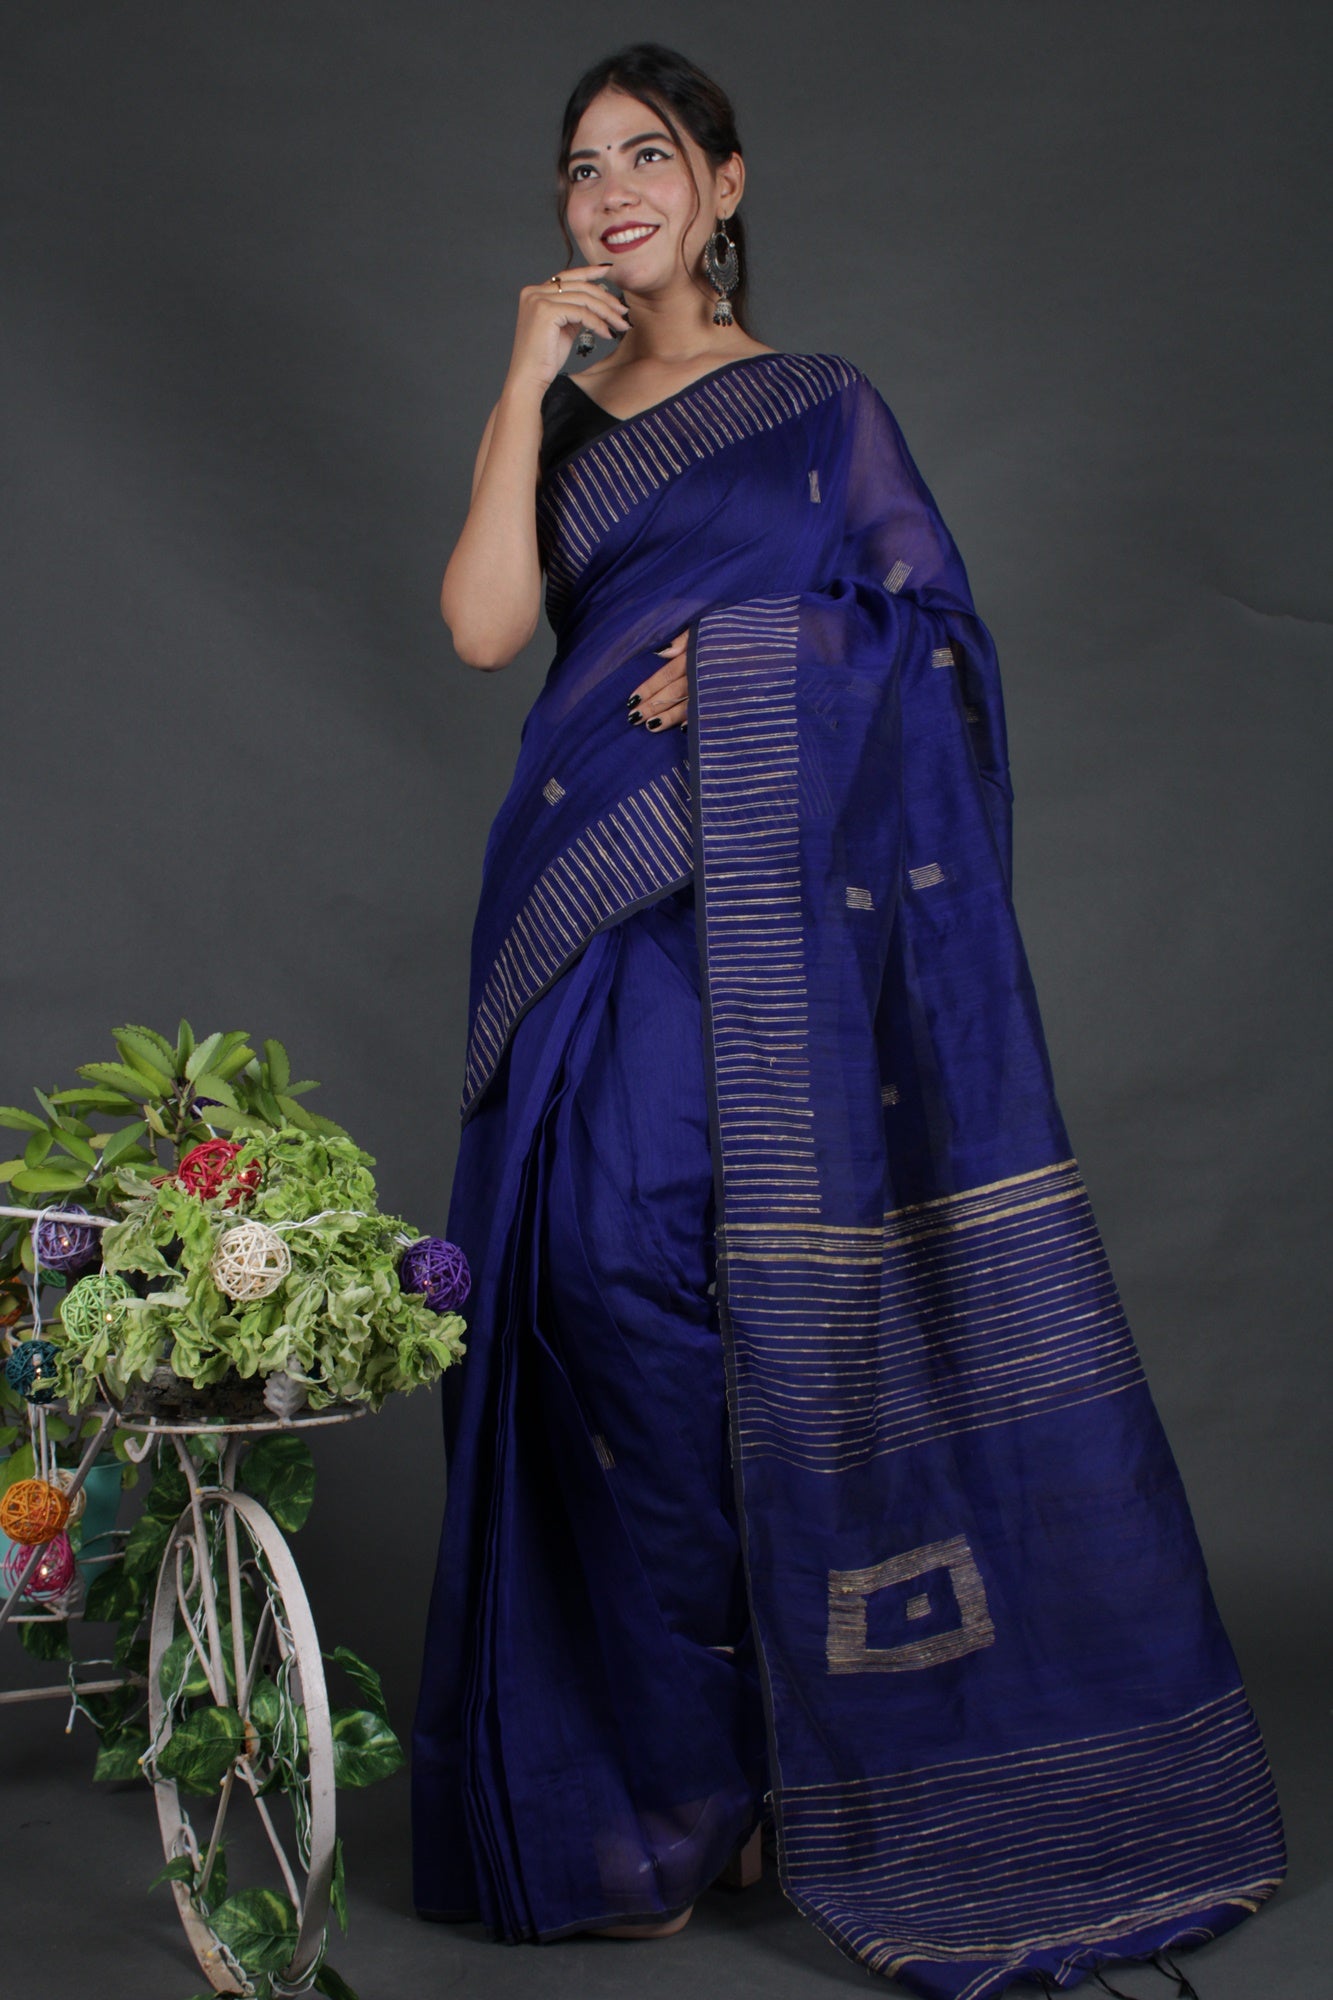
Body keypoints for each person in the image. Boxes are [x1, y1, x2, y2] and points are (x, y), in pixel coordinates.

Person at [411, 41, 1286, 1998]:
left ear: (724, 185)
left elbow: (935, 641)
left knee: (710, 1304)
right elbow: (481, 629)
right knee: (573, 1295)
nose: (613, 193)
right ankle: (653, 1791)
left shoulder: (818, 407)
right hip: (579, 906)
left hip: (760, 923)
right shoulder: (559, 422)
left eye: (649, 156)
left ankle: (756, 1766)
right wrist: (518, 384)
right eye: (581, 168)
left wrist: (753, 656)